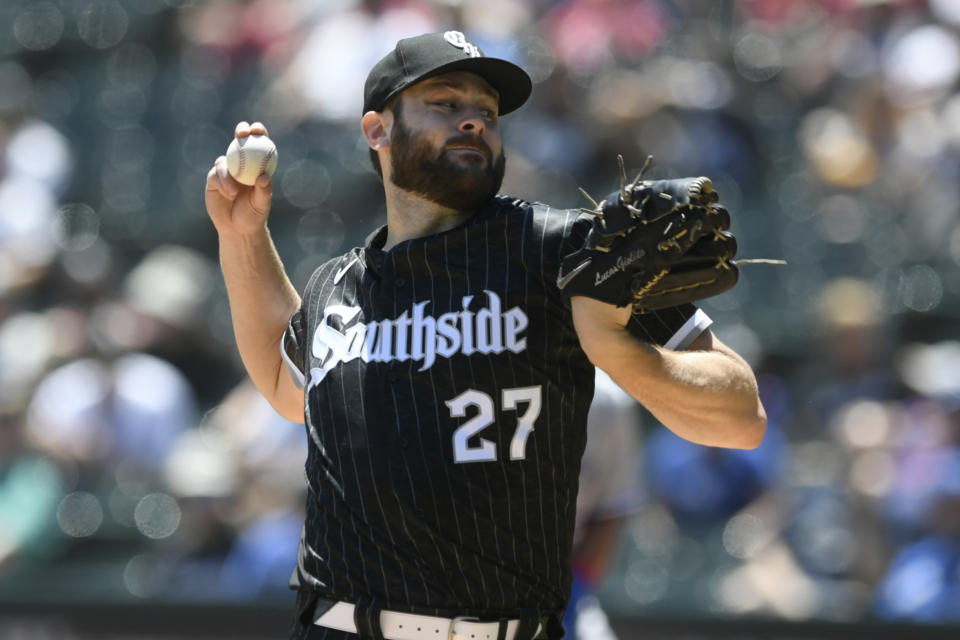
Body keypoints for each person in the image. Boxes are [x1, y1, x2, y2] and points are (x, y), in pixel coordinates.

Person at [204, 31, 766, 640]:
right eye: (446, 103)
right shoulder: (336, 285)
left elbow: (742, 414)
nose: (473, 120)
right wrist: (242, 235)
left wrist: (615, 350)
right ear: (377, 130)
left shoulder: (564, 250)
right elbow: (286, 388)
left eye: (487, 112)